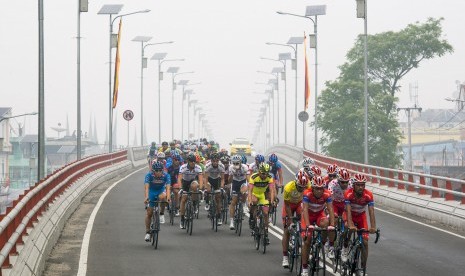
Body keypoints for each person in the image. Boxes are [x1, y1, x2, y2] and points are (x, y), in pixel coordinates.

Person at [300, 176, 335, 276]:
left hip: (319, 214)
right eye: (317, 188)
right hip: (308, 215)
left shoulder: (327, 194)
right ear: (313, 188)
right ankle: (305, 268)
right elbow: (305, 210)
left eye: (321, 188)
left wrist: (332, 225)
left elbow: (331, 210)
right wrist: (308, 225)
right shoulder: (307, 193)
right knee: (307, 241)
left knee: (325, 224)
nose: (319, 191)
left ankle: (321, 244)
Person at [344, 173, 377, 270]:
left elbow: (371, 211)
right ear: (353, 185)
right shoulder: (348, 193)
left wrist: (373, 227)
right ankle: (345, 247)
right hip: (349, 214)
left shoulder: (369, 195)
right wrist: (350, 225)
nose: (360, 187)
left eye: (362, 185)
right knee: (347, 227)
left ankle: (363, 266)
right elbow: (348, 211)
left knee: (365, 242)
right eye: (358, 185)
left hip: (361, 216)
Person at [281, 171, 311, 268]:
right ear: (295, 182)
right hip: (289, 205)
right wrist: (290, 219)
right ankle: (285, 257)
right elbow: (287, 205)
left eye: (304, 187)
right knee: (287, 230)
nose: (302, 189)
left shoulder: (308, 185)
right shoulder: (288, 187)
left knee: (302, 223)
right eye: (300, 187)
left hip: (299, 204)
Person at [325, 167, 352, 259]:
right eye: (342, 182)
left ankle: (345, 246)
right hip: (335, 203)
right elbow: (329, 198)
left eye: (346, 182)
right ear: (338, 180)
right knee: (334, 220)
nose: (345, 184)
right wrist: (330, 212)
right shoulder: (332, 183)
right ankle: (331, 246)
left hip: (345, 204)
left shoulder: (351, 184)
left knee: (348, 225)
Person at [144, 161, 171, 242]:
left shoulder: (166, 175)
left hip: (161, 190)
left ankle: (161, 213)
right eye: (156, 171)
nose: (158, 172)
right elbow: (146, 187)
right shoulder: (149, 175)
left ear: (162, 170)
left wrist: (168, 198)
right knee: (149, 213)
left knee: (163, 198)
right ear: (153, 171)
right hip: (151, 191)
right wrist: (146, 197)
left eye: (160, 170)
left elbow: (168, 188)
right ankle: (148, 232)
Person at [248, 163, 275, 238]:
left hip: (262, 195)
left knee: (266, 213)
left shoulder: (269, 177)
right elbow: (250, 190)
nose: (265, 175)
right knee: (254, 202)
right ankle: (251, 218)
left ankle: (266, 232)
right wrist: (250, 201)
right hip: (254, 193)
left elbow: (271, 190)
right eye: (263, 173)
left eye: (266, 173)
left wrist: (272, 201)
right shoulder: (253, 177)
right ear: (259, 171)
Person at [178, 152, 204, 229]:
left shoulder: (198, 167)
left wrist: (200, 189)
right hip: (185, 182)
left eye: (194, 161)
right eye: (191, 161)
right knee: (183, 199)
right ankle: (182, 219)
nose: (193, 163)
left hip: (193, 181)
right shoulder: (183, 167)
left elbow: (201, 179)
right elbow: (179, 179)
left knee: (195, 186)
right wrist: (180, 188)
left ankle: (194, 203)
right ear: (188, 161)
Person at [228, 154, 249, 230]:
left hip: (242, 181)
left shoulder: (245, 167)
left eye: (237, 163)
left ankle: (243, 204)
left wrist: (249, 186)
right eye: (234, 163)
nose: (235, 164)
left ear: (240, 162)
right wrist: (231, 174)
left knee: (244, 192)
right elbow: (229, 181)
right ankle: (231, 221)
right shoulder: (231, 168)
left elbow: (248, 179)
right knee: (233, 202)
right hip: (235, 183)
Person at [204, 153, 226, 225]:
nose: (215, 162)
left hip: (217, 179)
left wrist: (222, 187)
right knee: (208, 190)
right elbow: (206, 178)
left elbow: (222, 179)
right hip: (209, 179)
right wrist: (206, 186)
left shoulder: (221, 166)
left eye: (217, 161)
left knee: (218, 198)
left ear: (218, 161)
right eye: (214, 161)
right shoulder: (208, 166)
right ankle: (207, 202)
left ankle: (219, 216)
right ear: (211, 161)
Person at [167, 150, 183, 216]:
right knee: (167, 191)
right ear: (172, 160)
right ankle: (168, 204)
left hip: (177, 182)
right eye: (175, 160)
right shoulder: (169, 168)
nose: (177, 161)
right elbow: (166, 177)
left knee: (176, 192)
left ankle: (176, 207)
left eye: (178, 160)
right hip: (170, 181)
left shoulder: (181, 168)